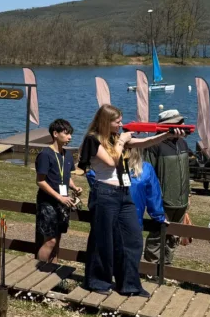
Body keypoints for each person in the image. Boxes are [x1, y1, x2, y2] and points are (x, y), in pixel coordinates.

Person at [77, 104, 176, 298]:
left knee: (132, 239)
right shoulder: (93, 139)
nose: (121, 125)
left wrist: (167, 135)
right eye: (117, 122)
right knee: (103, 239)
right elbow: (112, 161)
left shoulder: (116, 138)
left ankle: (130, 284)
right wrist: (122, 140)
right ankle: (97, 281)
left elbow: (145, 142)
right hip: (104, 192)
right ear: (106, 122)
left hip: (124, 193)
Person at [142, 109, 192, 267]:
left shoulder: (183, 143)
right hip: (163, 201)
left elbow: (186, 171)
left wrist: (188, 194)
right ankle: (151, 268)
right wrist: (154, 200)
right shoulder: (154, 145)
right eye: (179, 123)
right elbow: (147, 174)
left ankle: (167, 267)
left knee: (173, 236)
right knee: (157, 235)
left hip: (181, 201)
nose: (183, 125)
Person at [34, 119, 81, 264]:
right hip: (48, 202)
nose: (70, 137)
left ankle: (52, 269)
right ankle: (40, 271)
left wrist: (74, 187)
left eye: (70, 134)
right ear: (55, 134)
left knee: (58, 238)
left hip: (63, 202)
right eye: (66, 134)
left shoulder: (67, 155)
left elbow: (66, 176)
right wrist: (59, 197)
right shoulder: (45, 155)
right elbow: (40, 181)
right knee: (50, 241)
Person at [127, 146, 166, 237]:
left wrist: (159, 216)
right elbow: (153, 196)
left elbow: (153, 196)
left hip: (111, 220)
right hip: (133, 222)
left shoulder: (105, 168)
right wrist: (159, 217)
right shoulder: (146, 169)